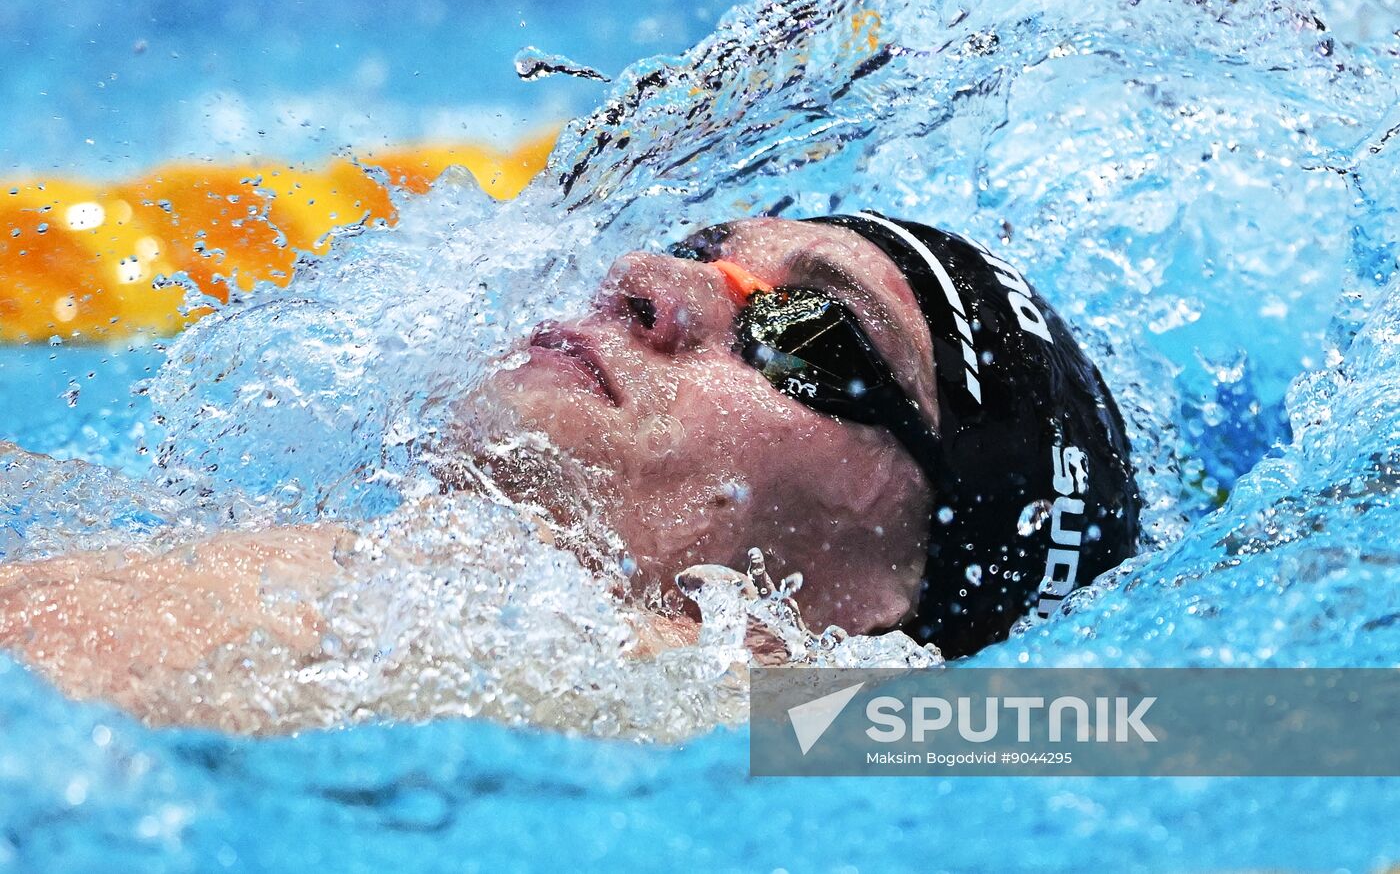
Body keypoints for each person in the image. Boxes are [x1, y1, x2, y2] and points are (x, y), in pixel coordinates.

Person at [0, 212, 1139, 723]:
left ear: (889, 597)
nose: (646, 276)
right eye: (700, 248)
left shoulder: (773, 709)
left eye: (809, 332)